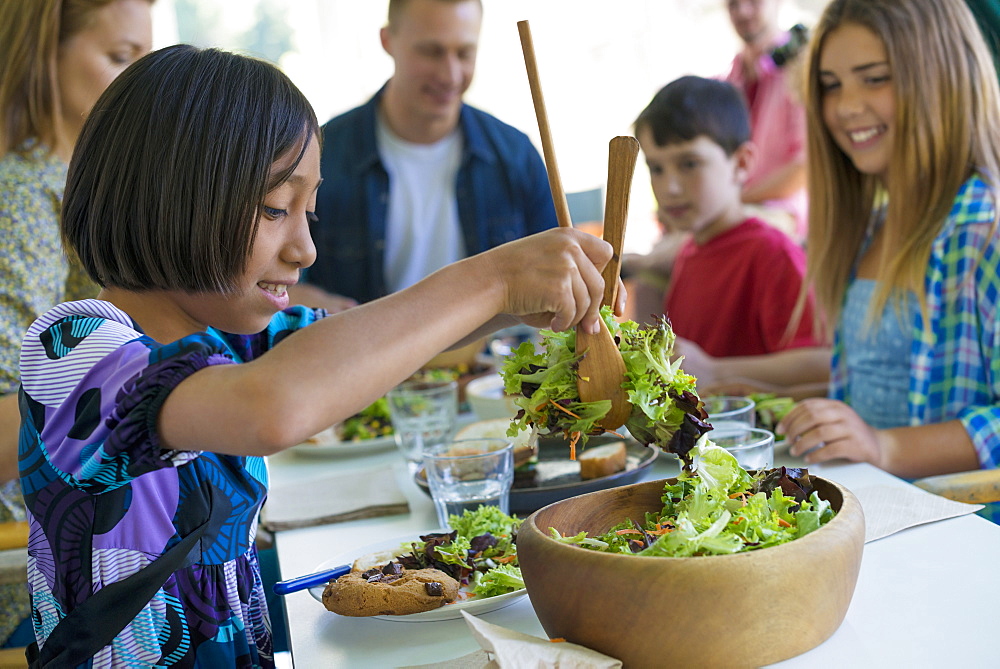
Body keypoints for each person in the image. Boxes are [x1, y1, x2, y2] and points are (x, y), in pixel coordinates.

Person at [19, 44, 619, 666]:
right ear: (173, 196)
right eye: (278, 208)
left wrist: (524, 294)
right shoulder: (73, 350)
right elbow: (272, 408)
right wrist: (492, 279)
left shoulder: (223, 340)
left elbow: (365, 342)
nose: (305, 248)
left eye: (310, 210)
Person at [777, 0, 1000, 482]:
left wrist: (884, 447)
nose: (846, 107)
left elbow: (881, 436)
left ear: (942, 77)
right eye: (831, 86)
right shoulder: (870, 227)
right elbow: (878, 389)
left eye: (874, 77)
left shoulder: (987, 226)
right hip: (868, 512)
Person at [0, 0, 153, 649]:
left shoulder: (79, 182)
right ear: (43, 55)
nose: (139, 87)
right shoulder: (22, 198)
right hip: (42, 572)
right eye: (120, 59)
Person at [291, 0, 557, 310]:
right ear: (387, 40)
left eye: (464, 53)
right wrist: (306, 302)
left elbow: (555, 272)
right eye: (431, 52)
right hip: (364, 356)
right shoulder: (323, 154)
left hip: (488, 359)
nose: (450, 74)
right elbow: (272, 279)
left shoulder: (515, 155)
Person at [634, 75, 822, 360]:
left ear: (741, 163)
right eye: (656, 168)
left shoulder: (771, 253)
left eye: (689, 164)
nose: (669, 187)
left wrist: (716, 371)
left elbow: (819, 363)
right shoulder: (687, 254)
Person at [724, 0, 808, 240]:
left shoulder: (799, 69)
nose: (742, 11)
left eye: (753, 1)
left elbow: (803, 168)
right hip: (736, 210)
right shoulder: (730, 78)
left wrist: (733, 200)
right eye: (733, 4)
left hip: (786, 217)